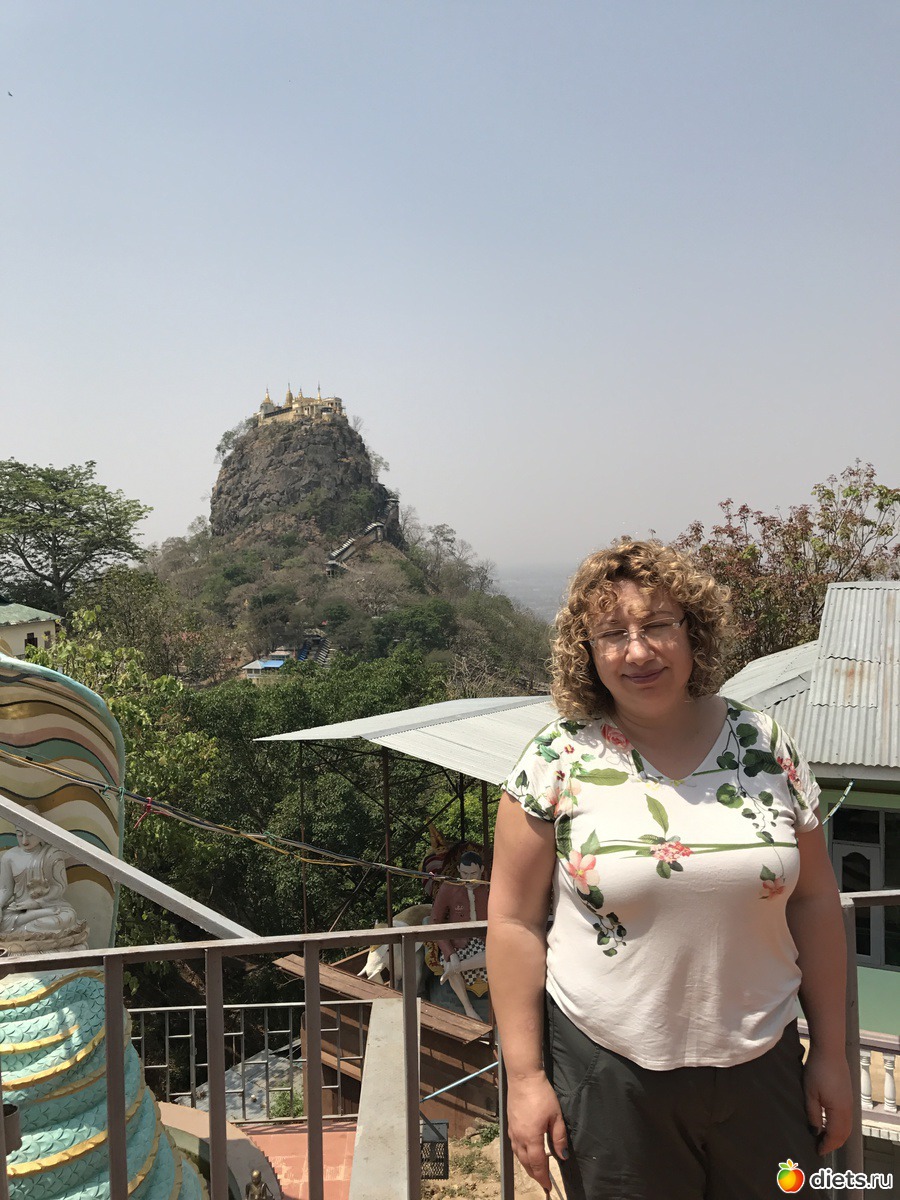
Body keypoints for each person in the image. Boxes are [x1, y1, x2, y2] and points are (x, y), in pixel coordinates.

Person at [486, 539, 852, 1199]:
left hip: (763, 1062)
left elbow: (815, 901)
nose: (638, 651)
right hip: (610, 1072)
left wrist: (830, 1051)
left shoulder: (764, 744)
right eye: (612, 634)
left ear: (693, 632)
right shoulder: (555, 759)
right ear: (587, 651)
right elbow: (513, 921)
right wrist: (526, 1077)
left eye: (657, 625)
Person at [430, 850, 489, 1020]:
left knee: (496, 955)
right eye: (464, 873)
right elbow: (435, 922)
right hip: (459, 942)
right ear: (458, 870)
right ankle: (468, 1008)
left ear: (481, 870)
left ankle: (455, 969)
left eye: (473, 874)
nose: (468, 879)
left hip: (486, 940)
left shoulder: (490, 886)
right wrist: (450, 953)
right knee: (448, 960)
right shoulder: (449, 888)